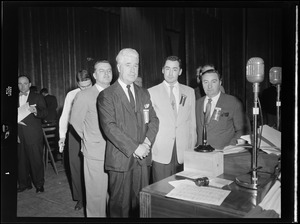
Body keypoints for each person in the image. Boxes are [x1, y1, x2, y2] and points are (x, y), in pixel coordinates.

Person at [97, 48, 159, 217]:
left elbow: (154, 120)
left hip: (143, 160)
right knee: (120, 207)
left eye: (136, 65)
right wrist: (135, 148)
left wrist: (146, 143)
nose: (133, 70)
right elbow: (109, 127)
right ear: (118, 67)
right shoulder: (106, 95)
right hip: (121, 160)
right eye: (128, 65)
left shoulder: (143, 93)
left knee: (142, 206)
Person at [70, 60, 112, 217]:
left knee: (114, 195)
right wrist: (89, 139)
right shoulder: (85, 95)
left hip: (117, 153)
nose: (106, 73)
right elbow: (75, 121)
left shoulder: (117, 93)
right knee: (96, 197)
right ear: (94, 75)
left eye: (109, 70)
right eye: (102, 71)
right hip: (95, 153)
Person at [148, 56, 197, 183]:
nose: (170, 73)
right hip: (161, 150)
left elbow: (192, 123)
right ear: (163, 70)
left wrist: (192, 149)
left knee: (182, 189)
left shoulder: (189, 92)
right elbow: (148, 124)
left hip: (183, 150)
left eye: (174, 69)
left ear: (180, 71)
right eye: (167, 68)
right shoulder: (151, 92)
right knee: (161, 189)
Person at [58, 70, 92, 211]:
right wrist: (62, 136)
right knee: (75, 166)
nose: (85, 89)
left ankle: (94, 197)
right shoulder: (71, 95)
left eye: (88, 85)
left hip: (93, 132)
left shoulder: (99, 92)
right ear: (77, 84)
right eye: (82, 87)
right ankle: (80, 198)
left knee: (92, 167)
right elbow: (65, 115)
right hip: (74, 134)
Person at [196, 68, 249, 149]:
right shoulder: (197, 103)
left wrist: (231, 146)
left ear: (220, 82)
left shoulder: (233, 102)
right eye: (205, 82)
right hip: (200, 154)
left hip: (224, 155)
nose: (209, 86)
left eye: (213, 81)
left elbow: (243, 130)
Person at [17, 75, 48, 193]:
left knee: (36, 160)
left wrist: (36, 111)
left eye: (25, 83)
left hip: (33, 134)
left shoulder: (37, 97)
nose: (22, 86)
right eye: (20, 83)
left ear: (30, 84)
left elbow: (45, 112)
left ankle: (39, 185)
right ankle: (24, 183)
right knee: (21, 160)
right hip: (19, 133)